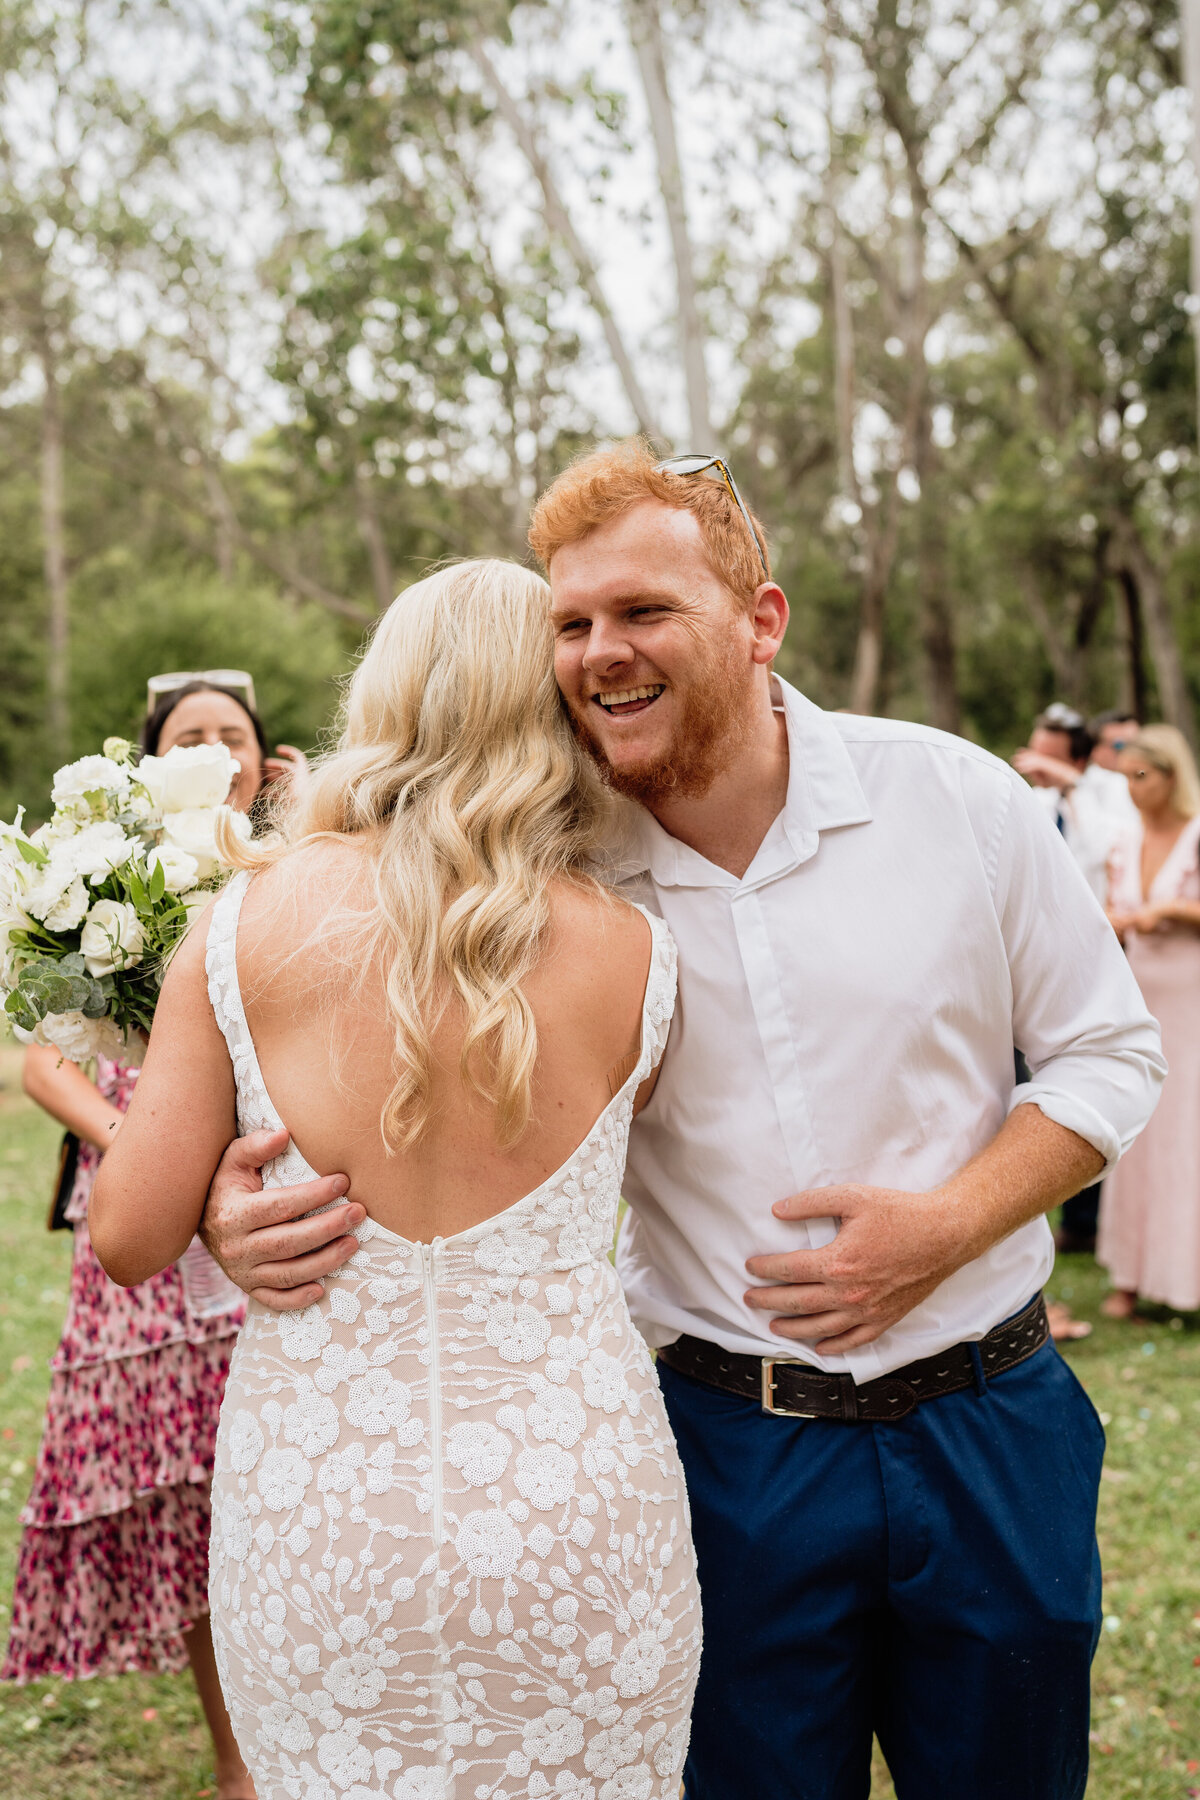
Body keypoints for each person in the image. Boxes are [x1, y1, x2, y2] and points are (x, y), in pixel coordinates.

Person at [197, 443, 1164, 1800]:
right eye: (573, 624)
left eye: (644, 612)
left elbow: (1109, 1054)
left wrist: (947, 1225)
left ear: (759, 621)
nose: (600, 652)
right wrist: (232, 1212)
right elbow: (391, 1094)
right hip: (730, 1452)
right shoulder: (550, 883)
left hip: (990, 1423)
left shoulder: (959, 803)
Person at [89, 562, 702, 1800]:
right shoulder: (640, 949)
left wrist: (224, 1193)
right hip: (575, 1504)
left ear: (380, 698)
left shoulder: (240, 921)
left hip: (322, 1509)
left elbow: (127, 1236)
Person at [1, 675, 304, 1800]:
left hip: (264, 1203)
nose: (215, 749)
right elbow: (44, 1058)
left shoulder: (291, 872)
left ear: (264, 760)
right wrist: (137, 1140)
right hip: (136, 1227)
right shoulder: (92, 878)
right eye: (191, 736)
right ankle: (237, 1765)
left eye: (232, 735)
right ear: (150, 761)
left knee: (268, 1482)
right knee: (183, 1497)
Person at [1097, 725, 1200, 1319]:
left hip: (1192, 994)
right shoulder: (1122, 841)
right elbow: (1112, 907)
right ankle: (1132, 1274)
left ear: (1171, 776)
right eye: (1126, 778)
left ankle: (1185, 1279)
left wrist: (1173, 910)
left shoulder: (1195, 835)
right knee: (1143, 1124)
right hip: (1141, 993)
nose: (1134, 790)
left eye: (1143, 777)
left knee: (1188, 1129)